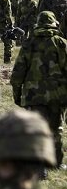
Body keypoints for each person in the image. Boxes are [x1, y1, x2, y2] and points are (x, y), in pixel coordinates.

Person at [10, 10, 67, 168]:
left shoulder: (29, 43)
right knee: (56, 129)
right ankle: (56, 162)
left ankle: (37, 164)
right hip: (58, 95)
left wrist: (17, 95)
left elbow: (18, 73)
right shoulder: (61, 43)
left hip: (33, 96)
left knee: (35, 130)